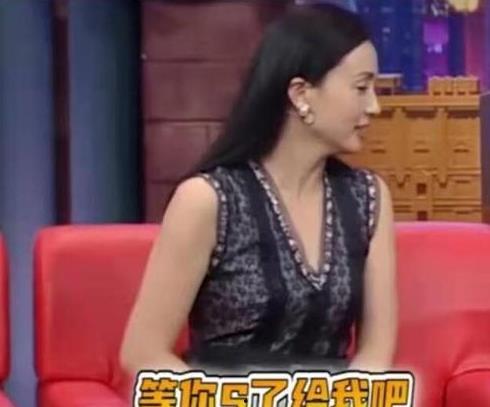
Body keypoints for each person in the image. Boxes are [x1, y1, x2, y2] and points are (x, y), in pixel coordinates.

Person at [121, 4, 397, 375]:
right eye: (361, 88)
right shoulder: (209, 201)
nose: (374, 106)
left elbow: (375, 355)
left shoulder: (368, 198)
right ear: (301, 94)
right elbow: (142, 355)